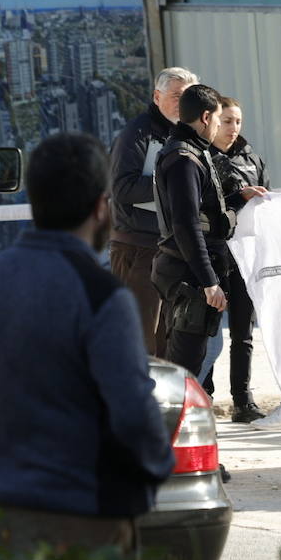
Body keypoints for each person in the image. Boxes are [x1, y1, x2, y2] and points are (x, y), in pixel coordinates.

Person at [0, 132, 175, 554]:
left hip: (8, 508)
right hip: (89, 517)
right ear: (100, 208)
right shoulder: (102, 295)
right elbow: (132, 409)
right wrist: (157, 467)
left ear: (34, 202)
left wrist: (7, 441)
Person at [151, 85, 266, 382]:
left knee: (199, 358)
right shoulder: (184, 159)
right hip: (188, 276)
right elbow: (187, 225)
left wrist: (240, 198)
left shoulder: (190, 153)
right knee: (185, 372)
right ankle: (173, 427)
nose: (220, 126)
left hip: (189, 273)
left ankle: (184, 423)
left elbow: (204, 216)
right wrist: (208, 281)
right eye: (218, 119)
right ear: (205, 117)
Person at [109, 66, 197, 355]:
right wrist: (173, 185)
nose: (181, 101)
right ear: (156, 97)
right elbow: (122, 188)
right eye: (175, 95)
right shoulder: (137, 133)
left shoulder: (189, 135)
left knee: (169, 343)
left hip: (174, 250)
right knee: (140, 342)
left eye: (187, 96)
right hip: (138, 251)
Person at [208, 95, 268, 424]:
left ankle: (242, 400)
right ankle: (203, 397)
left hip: (246, 255)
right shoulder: (202, 158)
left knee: (243, 333)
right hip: (214, 255)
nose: (233, 128)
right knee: (206, 332)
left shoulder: (251, 157)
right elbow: (205, 206)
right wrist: (237, 195)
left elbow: (267, 200)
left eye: (238, 122)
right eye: (228, 121)